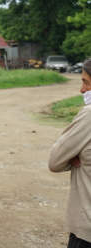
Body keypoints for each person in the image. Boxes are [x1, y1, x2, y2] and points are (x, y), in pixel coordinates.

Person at [48, 58, 91, 248]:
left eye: (86, 82)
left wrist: (75, 153)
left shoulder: (89, 115)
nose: (82, 90)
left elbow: (55, 161)